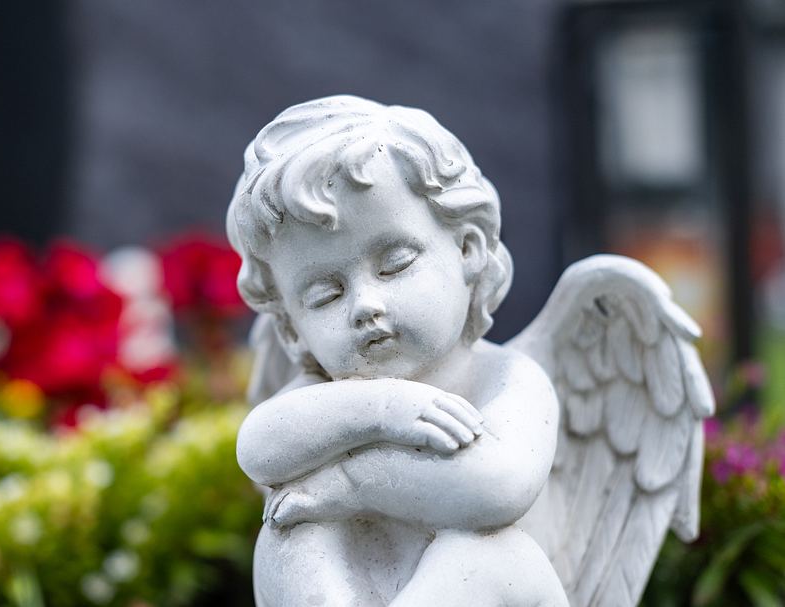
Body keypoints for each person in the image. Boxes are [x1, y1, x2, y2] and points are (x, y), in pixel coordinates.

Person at [227, 95, 568, 606]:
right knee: (291, 538)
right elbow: (259, 448)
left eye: (395, 264)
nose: (365, 305)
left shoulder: (507, 378)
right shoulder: (326, 394)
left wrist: (353, 482)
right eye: (325, 295)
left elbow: (495, 489)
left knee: (485, 556)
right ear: (292, 329)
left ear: (467, 249)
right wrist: (382, 408)